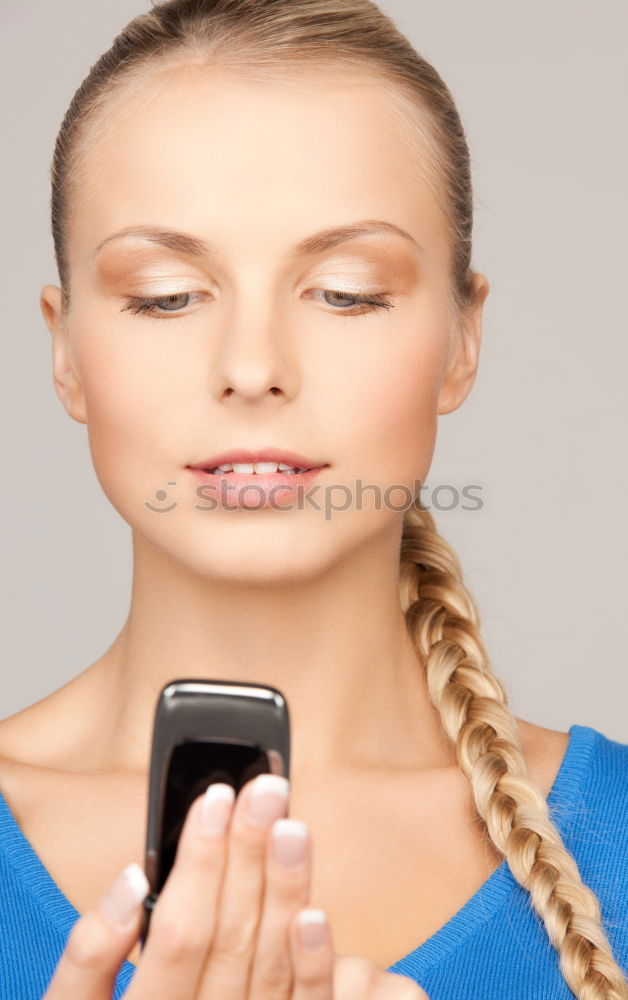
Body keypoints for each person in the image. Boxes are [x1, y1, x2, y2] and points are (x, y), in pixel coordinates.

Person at [0, 0, 626, 997]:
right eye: (165, 295)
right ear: (65, 350)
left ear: (462, 342)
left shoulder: (614, 840)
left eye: (345, 291)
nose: (253, 367)